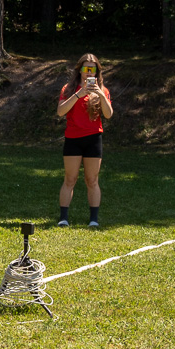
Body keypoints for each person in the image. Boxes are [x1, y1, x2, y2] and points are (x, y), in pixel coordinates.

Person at [57, 53, 113, 228]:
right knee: (70, 179)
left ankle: (93, 220)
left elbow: (108, 114)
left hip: (93, 139)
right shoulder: (68, 88)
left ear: (97, 71)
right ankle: (63, 218)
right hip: (73, 138)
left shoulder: (103, 90)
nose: (89, 72)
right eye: (86, 68)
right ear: (80, 70)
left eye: (92, 69)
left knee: (92, 180)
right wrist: (78, 94)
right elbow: (60, 111)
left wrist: (101, 95)